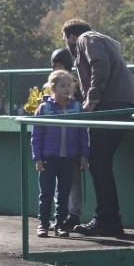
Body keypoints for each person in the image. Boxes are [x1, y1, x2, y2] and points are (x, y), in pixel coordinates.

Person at [62, 19, 134, 237]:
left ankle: (107, 219)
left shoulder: (87, 39)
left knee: (99, 162)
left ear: (71, 37)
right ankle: (107, 218)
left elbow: (100, 65)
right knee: (100, 162)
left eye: (66, 39)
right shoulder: (101, 41)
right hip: (118, 105)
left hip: (110, 106)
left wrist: (91, 101)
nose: (67, 45)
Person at [31, 70, 89, 238]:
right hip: (49, 159)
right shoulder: (45, 108)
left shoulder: (76, 107)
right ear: (53, 88)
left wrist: (84, 154)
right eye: (62, 86)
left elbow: (82, 132)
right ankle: (43, 223)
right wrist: (38, 157)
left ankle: (60, 224)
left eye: (69, 85)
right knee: (46, 192)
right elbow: (36, 135)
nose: (66, 89)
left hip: (68, 159)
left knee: (63, 193)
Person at [49, 47, 83, 231]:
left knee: (74, 182)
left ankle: (73, 214)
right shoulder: (52, 93)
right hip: (56, 147)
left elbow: (80, 123)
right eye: (55, 66)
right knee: (58, 185)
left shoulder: (73, 89)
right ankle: (60, 216)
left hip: (71, 145)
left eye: (60, 65)